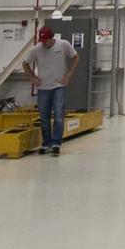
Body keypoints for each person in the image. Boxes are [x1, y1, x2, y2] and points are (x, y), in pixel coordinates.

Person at [23, 26, 78, 156]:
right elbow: (25, 63)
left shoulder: (63, 45)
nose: (43, 43)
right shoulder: (36, 49)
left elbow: (76, 57)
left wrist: (69, 75)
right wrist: (32, 77)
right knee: (44, 118)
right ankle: (46, 143)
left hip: (59, 86)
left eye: (46, 40)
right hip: (43, 88)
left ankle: (56, 143)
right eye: (41, 40)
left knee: (58, 115)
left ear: (51, 38)